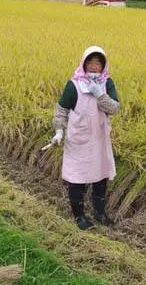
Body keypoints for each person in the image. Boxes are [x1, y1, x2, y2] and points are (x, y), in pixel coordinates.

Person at [51, 46, 120, 230]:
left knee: (100, 178)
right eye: (90, 62)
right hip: (79, 140)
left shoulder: (107, 83)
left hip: (99, 140)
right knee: (77, 178)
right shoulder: (74, 84)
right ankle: (79, 216)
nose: (94, 66)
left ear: (103, 65)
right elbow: (62, 110)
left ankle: (99, 212)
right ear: (84, 64)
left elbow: (114, 108)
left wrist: (100, 94)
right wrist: (59, 131)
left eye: (98, 63)